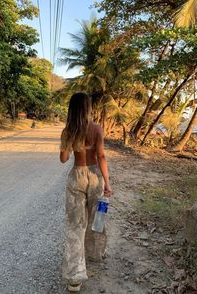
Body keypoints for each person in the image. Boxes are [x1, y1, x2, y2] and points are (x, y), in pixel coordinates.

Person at [59, 92, 112, 292]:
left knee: (75, 225)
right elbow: (102, 156)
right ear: (88, 109)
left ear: (72, 109)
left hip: (77, 177)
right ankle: (95, 253)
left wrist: (69, 142)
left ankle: (74, 278)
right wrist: (107, 183)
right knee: (97, 217)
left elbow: (64, 159)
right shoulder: (97, 129)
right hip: (96, 176)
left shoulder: (68, 131)